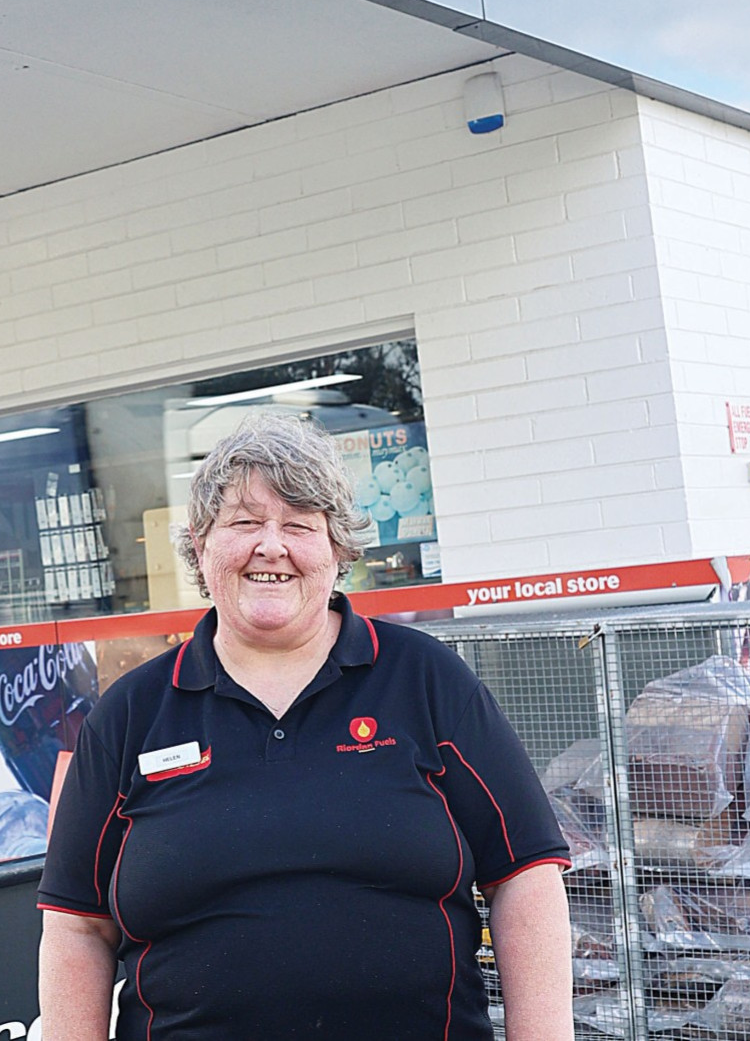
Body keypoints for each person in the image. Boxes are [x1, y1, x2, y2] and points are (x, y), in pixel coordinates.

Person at [38, 412, 573, 1040]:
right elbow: (77, 926)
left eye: (299, 525)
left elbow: (526, 877)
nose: (272, 546)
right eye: (244, 523)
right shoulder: (130, 715)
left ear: (337, 550)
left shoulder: (426, 680)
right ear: (201, 547)